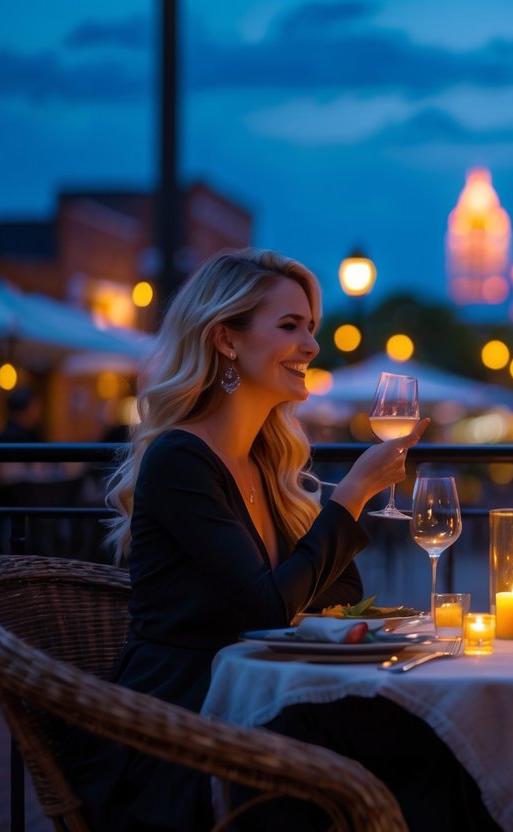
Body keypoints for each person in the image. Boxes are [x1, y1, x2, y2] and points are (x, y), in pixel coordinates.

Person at [67, 248, 429, 830]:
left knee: (449, 746)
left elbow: (335, 600)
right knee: (420, 761)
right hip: (183, 731)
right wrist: (352, 497)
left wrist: (332, 512)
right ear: (225, 339)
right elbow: (267, 606)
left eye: (311, 327)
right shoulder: (180, 459)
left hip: (267, 709)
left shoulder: (267, 463)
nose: (311, 346)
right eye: (290, 327)